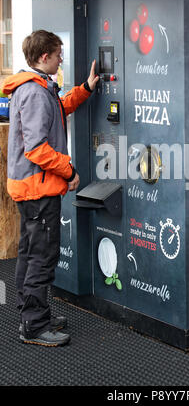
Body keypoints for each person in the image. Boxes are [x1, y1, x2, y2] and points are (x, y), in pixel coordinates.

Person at [2, 30, 99, 347]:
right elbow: (37, 149)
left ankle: (33, 314)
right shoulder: (34, 93)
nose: (61, 60)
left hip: (30, 188)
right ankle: (34, 325)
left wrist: (85, 89)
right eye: (59, 55)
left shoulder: (37, 89)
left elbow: (59, 109)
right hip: (38, 190)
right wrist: (69, 169)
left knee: (30, 255)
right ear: (45, 57)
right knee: (41, 258)